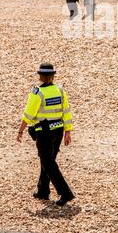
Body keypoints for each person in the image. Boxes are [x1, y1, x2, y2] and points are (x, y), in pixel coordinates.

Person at [17, 63, 75, 206]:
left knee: (48, 163)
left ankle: (65, 193)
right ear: (53, 75)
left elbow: (29, 114)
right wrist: (68, 131)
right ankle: (43, 191)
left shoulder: (37, 92)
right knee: (48, 160)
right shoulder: (60, 90)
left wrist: (20, 130)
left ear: (40, 76)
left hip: (44, 132)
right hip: (58, 130)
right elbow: (66, 111)